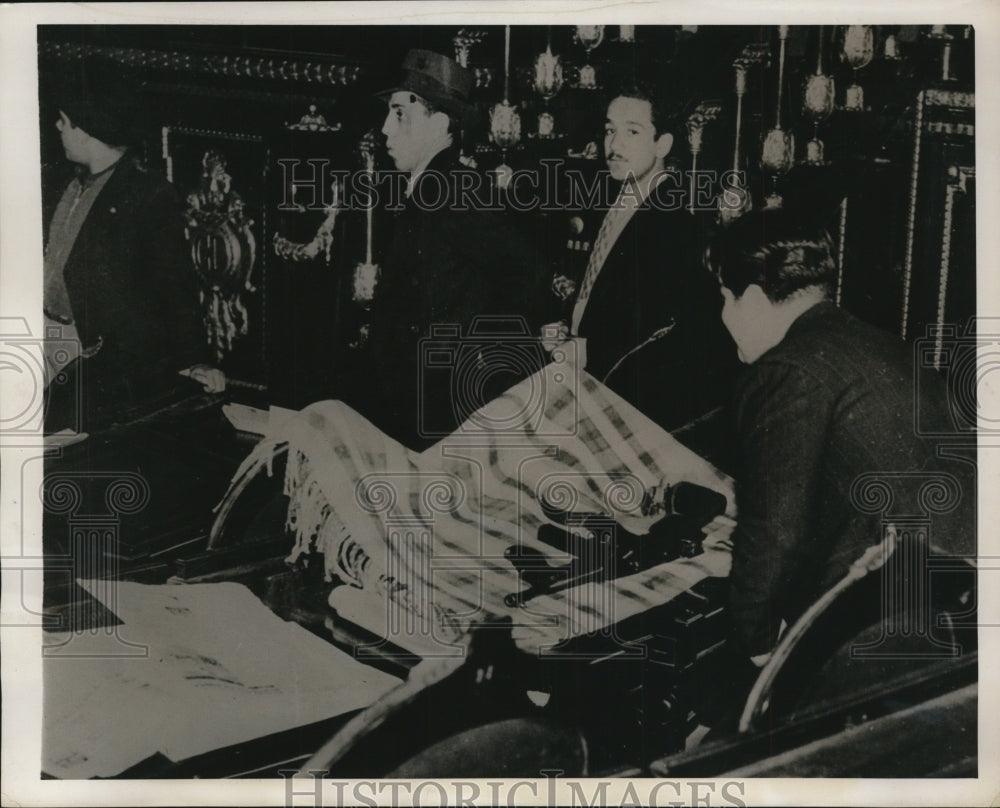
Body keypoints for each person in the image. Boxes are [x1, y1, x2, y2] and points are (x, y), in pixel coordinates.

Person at [704, 209, 976, 679]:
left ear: (748, 297)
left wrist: (758, 645)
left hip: (894, 615)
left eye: (724, 298)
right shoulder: (876, 342)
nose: (724, 316)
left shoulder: (785, 369)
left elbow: (774, 529)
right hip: (961, 591)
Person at [342, 49, 547, 450]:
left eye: (400, 114)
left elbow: (529, 274)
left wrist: (476, 370)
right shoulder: (432, 188)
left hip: (443, 413)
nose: (385, 129)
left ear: (439, 123)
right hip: (416, 404)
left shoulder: (457, 192)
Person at [544, 81, 737, 441]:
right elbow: (610, 296)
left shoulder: (675, 221)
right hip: (589, 384)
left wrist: (586, 349)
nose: (614, 146)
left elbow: (665, 329)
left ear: (662, 144)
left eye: (631, 132)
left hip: (633, 409)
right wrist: (569, 327)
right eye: (609, 130)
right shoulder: (617, 203)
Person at [42, 57, 223, 434]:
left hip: (91, 353)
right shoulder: (61, 179)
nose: (57, 126)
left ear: (87, 125)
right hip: (37, 332)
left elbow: (174, 286)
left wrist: (194, 361)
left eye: (64, 119)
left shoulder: (147, 195)